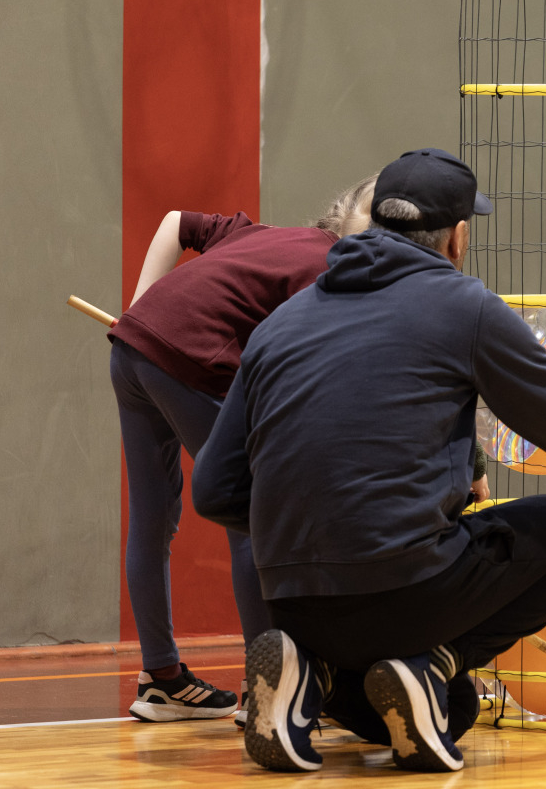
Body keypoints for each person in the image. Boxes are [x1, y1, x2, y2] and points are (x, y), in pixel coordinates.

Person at [193, 148, 546, 773]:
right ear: (458, 237)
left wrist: (314, 528)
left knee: (455, 709)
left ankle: (309, 672)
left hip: (291, 602)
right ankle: (433, 662)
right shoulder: (463, 305)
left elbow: (213, 488)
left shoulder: (279, 324)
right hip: (407, 588)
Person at [108, 176, 377, 722]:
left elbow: (175, 221)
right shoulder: (333, 274)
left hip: (131, 349)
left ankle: (162, 679)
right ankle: (265, 691)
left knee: (152, 518)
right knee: (253, 518)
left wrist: (139, 309)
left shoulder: (257, 233)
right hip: (194, 363)